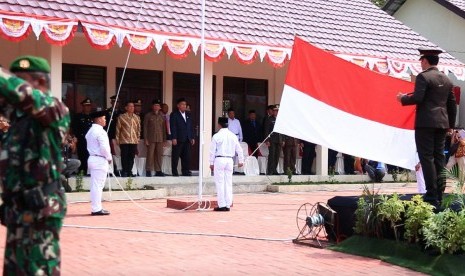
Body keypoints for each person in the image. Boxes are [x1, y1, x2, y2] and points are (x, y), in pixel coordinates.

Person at [0, 56, 70, 274]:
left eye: (21, 81)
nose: (13, 89)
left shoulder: (54, 110)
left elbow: (18, 93)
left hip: (41, 212)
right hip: (17, 213)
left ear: (40, 83)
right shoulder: (18, 120)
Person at [397, 48, 456, 205]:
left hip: (426, 124)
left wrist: (403, 98)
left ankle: (431, 193)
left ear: (424, 61)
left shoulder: (423, 77)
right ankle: (439, 193)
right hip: (442, 124)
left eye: (421, 61)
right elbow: (452, 105)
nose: (421, 64)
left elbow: (418, 98)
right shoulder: (447, 79)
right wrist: (450, 125)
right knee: (439, 157)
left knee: (426, 157)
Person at [209, 117, 244, 211]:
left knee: (220, 183)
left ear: (219, 124)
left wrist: (211, 163)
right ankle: (228, 204)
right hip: (229, 160)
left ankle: (222, 205)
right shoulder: (233, 135)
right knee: (228, 183)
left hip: (219, 160)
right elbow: (239, 150)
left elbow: (212, 151)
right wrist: (241, 161)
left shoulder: (216, 136)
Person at [85, 110, 112, 216]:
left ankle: (97, 207)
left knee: (95, 185)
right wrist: (109, 157)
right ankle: (96, 208)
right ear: (99, 119)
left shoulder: (91, 130)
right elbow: (104, 148)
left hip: (93, 158)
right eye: (104, 118)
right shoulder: (100, 131)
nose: (105, 120)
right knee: (98, 185)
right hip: (99, 159)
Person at [170, 97, 195, 176]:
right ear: (178, 106)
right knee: (176, 156)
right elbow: (173, 126)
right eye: (182, 104)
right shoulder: (174, 114)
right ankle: (174, 171)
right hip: (178, 138)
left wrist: (192, 137)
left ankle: (185, 171)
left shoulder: (188, 114)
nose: (184, 106)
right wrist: (174, 138)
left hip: (187, 139)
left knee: (186, 156)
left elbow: (190, 126)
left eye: (185, 104)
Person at [115, 101, 141, 177]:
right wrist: (117, 139)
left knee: (131, 156)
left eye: (133, 106)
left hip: (133, 140)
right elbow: (118, 129)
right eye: (130, 106)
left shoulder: (137, 117)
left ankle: (129, 171)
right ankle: (124, 171)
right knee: (124, 156)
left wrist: (138, 138)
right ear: (126, 108)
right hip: (124, 140)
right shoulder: (121, 117)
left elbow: (138, 129)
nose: (132, 108)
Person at [144, 99, 167, 176]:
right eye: (155, 105)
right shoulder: (148, 115)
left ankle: (158, 170)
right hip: (151, 138)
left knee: (159, 155)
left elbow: (164, 128)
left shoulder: (162, 116)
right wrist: (146, 139)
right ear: (152, 106)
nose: (156, 107)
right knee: (150, 155)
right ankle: (148, 170)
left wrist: (164, 139)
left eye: (158, 105)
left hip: (160, 138)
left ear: (160, 107)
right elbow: (145, 128)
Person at [71, 97, 93, 174]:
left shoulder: (92, 116)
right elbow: (74, 128)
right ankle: (82, 170)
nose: (88, 107)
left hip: (91, 140)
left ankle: (88, 171)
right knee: (82, 155)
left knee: (90, 156)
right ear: (83, 106)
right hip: (81, 139)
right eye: (86, 106)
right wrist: (75, 137)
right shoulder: (78, 117)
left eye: (89, 105)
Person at [264, 104, 283, 175]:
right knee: (272, 155)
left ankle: (274, 169)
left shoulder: (280, 119)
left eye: (277, 111)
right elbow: (266, 130)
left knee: (277, 155)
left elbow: (282, 130)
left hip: (279, 139)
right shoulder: (269, 119)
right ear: (273, 111)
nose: (276, 112)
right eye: (275, 111)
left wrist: (283, 139)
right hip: (272, 140)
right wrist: (267, 140)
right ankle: (270, 170)